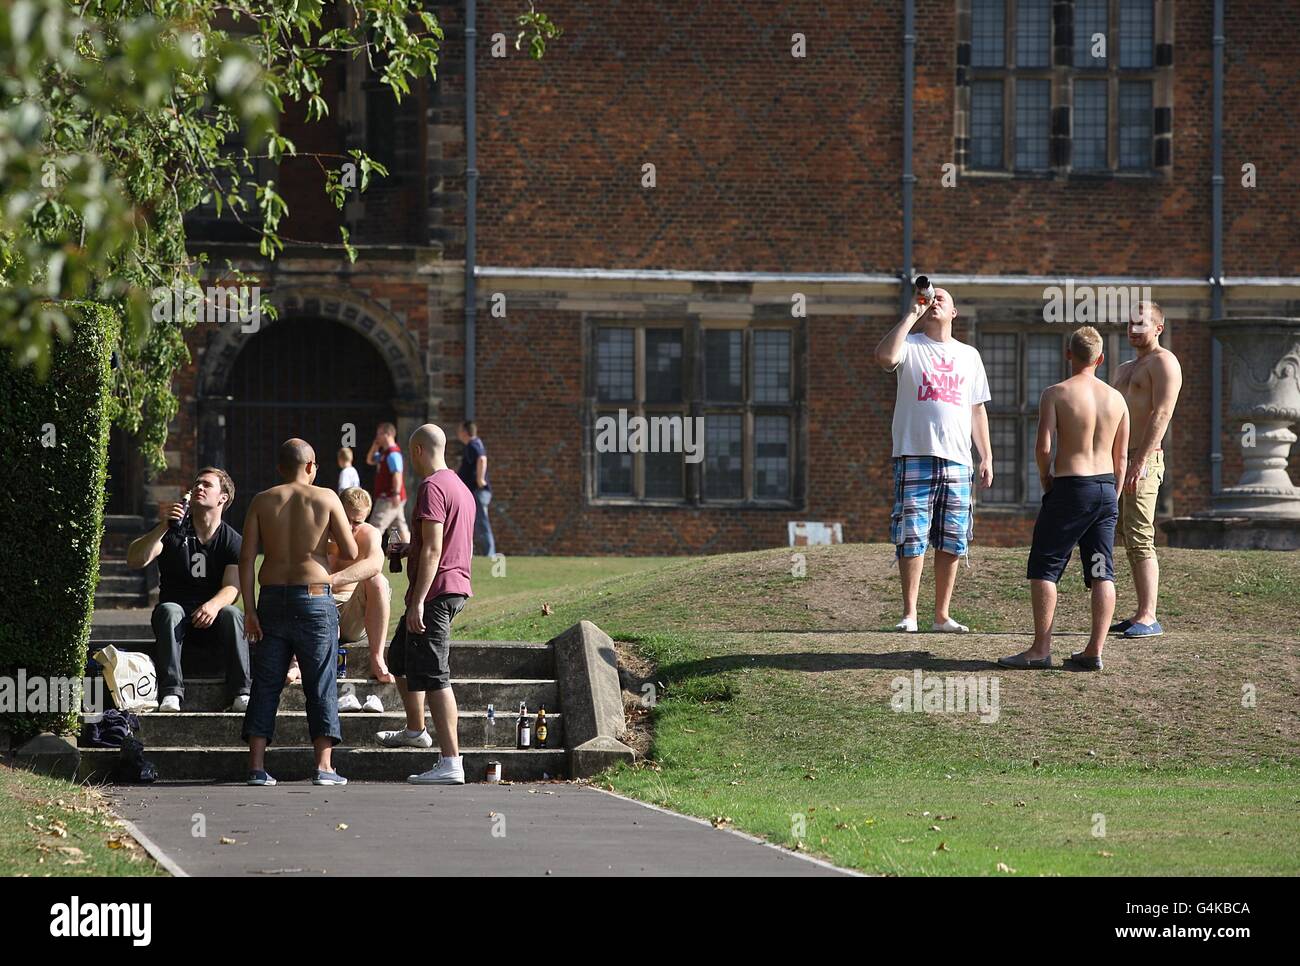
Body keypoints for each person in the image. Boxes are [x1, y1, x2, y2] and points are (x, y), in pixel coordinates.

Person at [999, 327, 1129, 671]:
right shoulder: (1117, 400)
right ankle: (1093, 651)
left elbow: (1043, 447)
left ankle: (1041, 649)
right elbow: (1122, 458)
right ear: (1100, 359)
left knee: (1045, 565)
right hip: (1104, 488)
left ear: (1068, 354)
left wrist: (1046, 478)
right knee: (1102, 570)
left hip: (1071, 487)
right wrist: (1112, 495)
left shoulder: (1055, 393)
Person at [874, 286, 994, 633]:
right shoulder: (910, 345)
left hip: (957, 459)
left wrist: (985, 456)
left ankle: (941, 615)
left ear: (955, 313)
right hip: (915, 453)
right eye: (931, 298)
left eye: (943, 298)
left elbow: (977, 409)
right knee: (912, 535)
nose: (936, 300)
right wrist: (912, 312)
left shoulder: (969, 355)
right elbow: (884, 357)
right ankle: (910, 614)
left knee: (952, 537)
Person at [239, 439, 358, 786]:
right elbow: (350, 551)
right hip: (315, 597)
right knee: (321, 681)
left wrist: (249, 609)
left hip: (272, 597)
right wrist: (323, 541)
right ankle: (324, 768)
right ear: (310, 466)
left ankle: (257, 767)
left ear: (280, 468)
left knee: (266, 683)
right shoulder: (325, 498)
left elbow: (246, 559)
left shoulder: (262, 501)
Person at [376, 423, 475, 786]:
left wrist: (417, 600)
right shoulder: (460, 488)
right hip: (452, 586)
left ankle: (451, 762)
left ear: (417, 450)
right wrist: (408, 549)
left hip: (434, 593)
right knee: (399, 658)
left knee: (435, 675)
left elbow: (435, 549)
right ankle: (416, 729)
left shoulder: (432, 487)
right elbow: (439, 543)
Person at [127, 467, 249, 713]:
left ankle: (241, 692)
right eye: (196, 484)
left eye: (206, 485)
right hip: (175, 619)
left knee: (234, 614)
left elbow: (232, 587)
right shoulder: (173, 531)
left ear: (223, 498)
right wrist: (163, 526)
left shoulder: (232, 540)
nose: (198, 488)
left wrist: (213, 605)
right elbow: (135, 559)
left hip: (211, 619)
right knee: (169, 610)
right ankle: (171, 692)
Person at [1110, 302, 1183, 638]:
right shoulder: (1124, 367)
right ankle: (1139, 611)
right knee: (1125, 534)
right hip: (1118, 459)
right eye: (1129, 323)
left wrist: (1140, 461)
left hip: (1144, 459)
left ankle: (1149, 616)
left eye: (1141, 323)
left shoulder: (1164, 362)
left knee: (1140, 535)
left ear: (1158, 328)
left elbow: (1162, 413)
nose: (1132, 329)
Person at [329, 487, 394, 683]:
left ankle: (377, 658)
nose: (349, 527)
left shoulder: (369, 534)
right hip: (320, 605)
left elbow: (375, 564)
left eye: (356, 522)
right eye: (345, 519)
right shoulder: (320, 532)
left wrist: (333, 579)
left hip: (352, 613)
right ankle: (295, 661)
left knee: (378, 580)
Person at [457, 420, 497, 558]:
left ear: (465, 432)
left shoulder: (473, 444)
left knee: (482, 522)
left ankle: (489, 554)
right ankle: (469, 552)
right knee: (474, 522)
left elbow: (482, 459)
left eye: (460, 430)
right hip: (474, 491)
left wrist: (480, 479)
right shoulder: (473, 445)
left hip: (479, 491)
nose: (458, 433)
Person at [365, 422, 409, 542]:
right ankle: (410, 550)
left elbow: (397, 474)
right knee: (399, 527)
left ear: (388, 434)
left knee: (376, 526)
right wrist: (375, 446)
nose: (377, 437)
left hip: (389, 497)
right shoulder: (384, 453)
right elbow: (370, 460)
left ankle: (369, 550)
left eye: (379, 434)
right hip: (391, 497)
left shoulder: (393, 454)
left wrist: (395, 493)